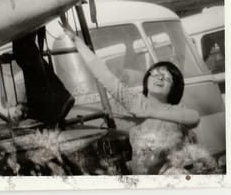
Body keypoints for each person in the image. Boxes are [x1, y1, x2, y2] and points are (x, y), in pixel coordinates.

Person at [62, 24, 200, 174]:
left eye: (167, 78)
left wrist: (149, 112)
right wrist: (77, 41)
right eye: (156, 73)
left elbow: (194, 118)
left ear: (174, 89)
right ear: (147, 78)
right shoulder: (134, 102)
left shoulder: (175, 111)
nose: (160, 78)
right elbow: (104, 75)